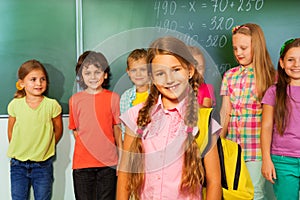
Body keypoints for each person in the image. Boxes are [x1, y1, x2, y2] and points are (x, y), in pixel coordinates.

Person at [117, 36, 221, 200]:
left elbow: (214, 181)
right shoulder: (135, 116)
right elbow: (124, 172)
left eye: (176, 69)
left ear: (190, 71)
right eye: (160, 73)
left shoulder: (204, 120)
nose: (169, 79)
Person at [219, 23, 276, 199]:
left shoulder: (270, 77)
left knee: (255, 192)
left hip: (256, 149)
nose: (238, 53)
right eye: (235, 48)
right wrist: (219, 144)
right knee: (233, 192)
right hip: (232, 147)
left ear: (256, 47)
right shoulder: (229, 75)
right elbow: (225, 112)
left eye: (243, 48)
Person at [69, 51, 122, 200]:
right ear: (81, 76)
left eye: (97, 72)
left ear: (105, 75)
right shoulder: (75, 100)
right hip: (82, 165)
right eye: (87, 73)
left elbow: (117, 130)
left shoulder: (113, 98)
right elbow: (76, 131)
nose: (93, 77)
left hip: (108, 164)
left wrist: (121, 160)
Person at [7, 59, 63, 200]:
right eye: (33, 79)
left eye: (42, 79)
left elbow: (58, 130)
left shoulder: (52, 105)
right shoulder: (15, 105)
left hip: (42, 166)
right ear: (22, 84)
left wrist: (45, 146)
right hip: (18, 165)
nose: (39, 83)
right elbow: (11, 131)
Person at [261, 38, 300, 200]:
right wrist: (266, 160)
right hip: (283, 161)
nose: (296, 64)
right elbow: (267, 127)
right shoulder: (273, 92)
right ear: (282, 63)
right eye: (291, 60)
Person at [120, 48, 149, 139]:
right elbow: (124, 128)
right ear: (128, 72)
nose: (138, 74)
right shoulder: (125, 97)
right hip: (133, 147)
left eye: (143, 69)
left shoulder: (158, 94)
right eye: (133, 70)